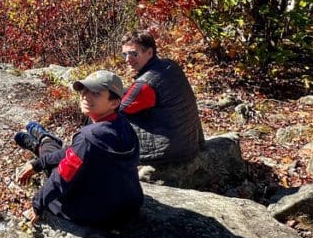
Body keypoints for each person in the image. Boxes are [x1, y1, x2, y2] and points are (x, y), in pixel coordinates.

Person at [14, 70, 142, 227]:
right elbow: (77, 151)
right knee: (65, 153)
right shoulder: (123, 125)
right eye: (84, 90)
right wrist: (37, 164)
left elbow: (61, 178)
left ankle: (43, 140)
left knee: (54, 162)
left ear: (114, 102)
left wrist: (37, 205)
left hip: (95, 214)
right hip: (129, 204)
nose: (85, 96)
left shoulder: (88, 138)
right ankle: (42, 140)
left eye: (95, 93)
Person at [119, 31, 204, 165]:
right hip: (188, 141)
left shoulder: (146, 84)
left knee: (107, 113)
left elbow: (119, 109)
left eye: (134, 53)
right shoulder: (169, 65)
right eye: (125, 54)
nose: (127, 59)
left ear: (149, 52)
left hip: (168, 152)